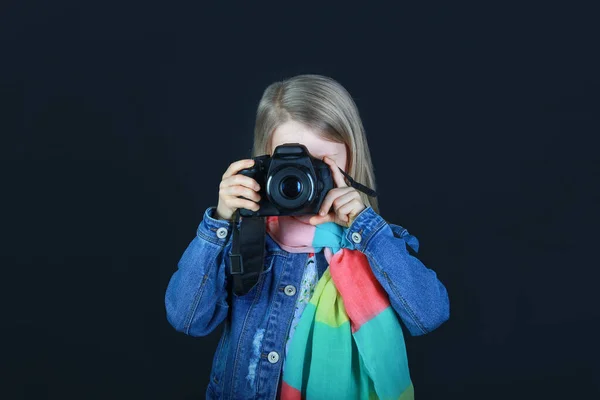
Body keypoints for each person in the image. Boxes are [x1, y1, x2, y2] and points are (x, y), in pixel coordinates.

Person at [164, 74, 450, 399]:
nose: (301, 178)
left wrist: (366, 228)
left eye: (319, 162)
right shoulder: (242, 240)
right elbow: (186, 318)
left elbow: (429, 315)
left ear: (351, 160)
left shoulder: (376, 245)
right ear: (262, 162)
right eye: (288, 161)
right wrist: (221, 222)